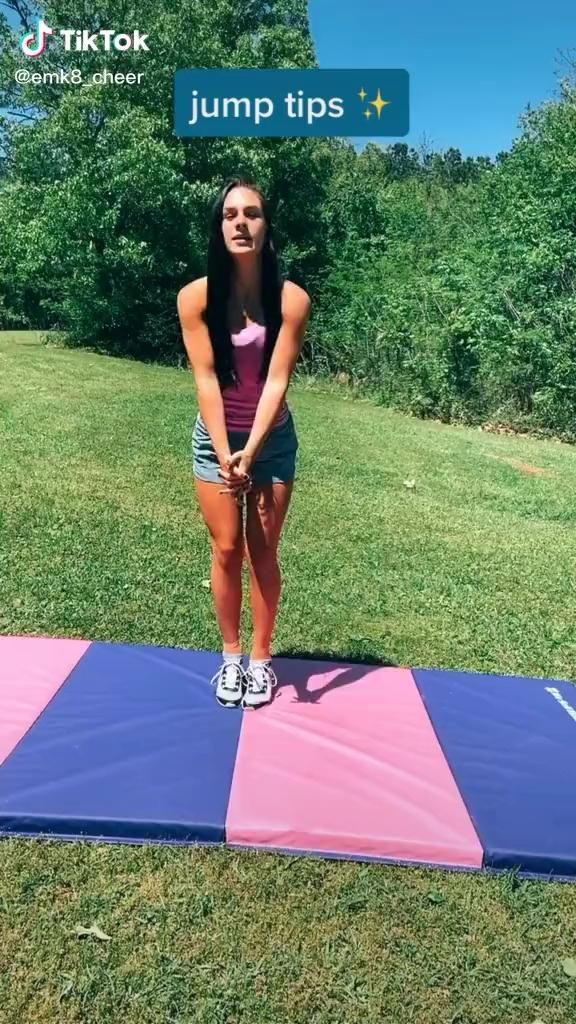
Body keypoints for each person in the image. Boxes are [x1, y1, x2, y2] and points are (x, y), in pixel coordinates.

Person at [176, 177, 311, 709]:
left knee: (263, 552)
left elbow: (277, 381)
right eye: (230, 214)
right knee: (227, 549)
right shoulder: (196, 298)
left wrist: (251, 452)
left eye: (251, 213)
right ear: (219, 226)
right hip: (214, 441)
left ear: (266, 225)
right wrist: (224, 448)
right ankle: (230, 659)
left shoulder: (291, 299)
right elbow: (206, 379)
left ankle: (260, 661)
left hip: (271, 443)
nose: (240, 222)